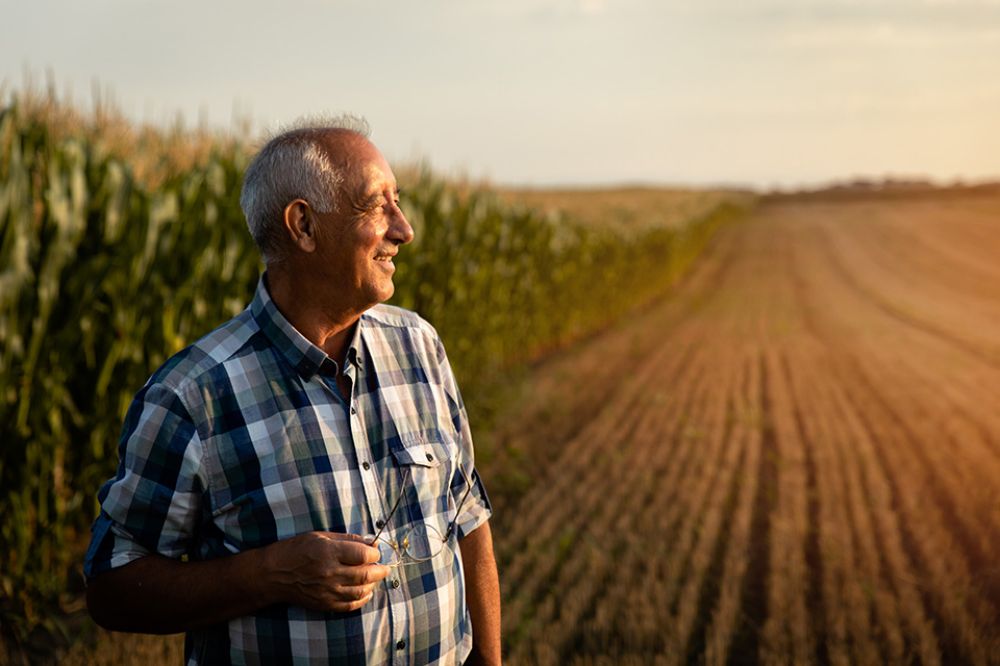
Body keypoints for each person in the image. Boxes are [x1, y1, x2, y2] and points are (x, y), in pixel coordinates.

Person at [84, 118, 501, 665]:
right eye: (377, 206)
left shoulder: (419, 346)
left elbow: (467, 517)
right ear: (303, 226)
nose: (404, 229)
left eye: (398, 203)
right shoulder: (192, 396)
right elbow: (111, 586)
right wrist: (269, 573)